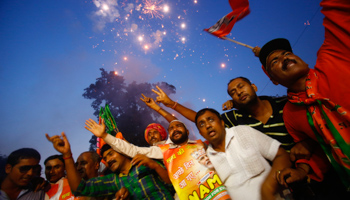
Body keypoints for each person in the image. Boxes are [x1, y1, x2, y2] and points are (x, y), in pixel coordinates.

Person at [258, 0, 350, 192]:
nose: (285, 57)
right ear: (273, 79)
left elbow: (339, 10)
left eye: (286, 53)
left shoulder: (332, 57)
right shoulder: (290, 114)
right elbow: (318, 149)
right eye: (275, 61)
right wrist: (302, 170)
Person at [85, 118, 231, 200]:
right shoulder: (162, 151)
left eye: (178, 126)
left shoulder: (199, 145)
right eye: (148, 135)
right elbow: (132, 150)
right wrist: (105, 136)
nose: (151, 136)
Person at [151, 85, 295, 152]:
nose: (238, 92)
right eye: (233, 92)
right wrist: (171, 104)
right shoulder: (236, 118)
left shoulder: (285, 104)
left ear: (254, 87)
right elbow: (203, 119)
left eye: (241, 86)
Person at [195, 108, 292, 200]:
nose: (208, 126)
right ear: (201, 133)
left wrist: (268, 187)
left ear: (222, 122)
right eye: (202, 124)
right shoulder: (207, 160)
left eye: (211, 120)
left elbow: (282, 155)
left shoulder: (243, 132)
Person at [45, 132, 174, 200]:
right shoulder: (113, 180)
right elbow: (79, 189)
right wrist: (67, 154)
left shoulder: (146, 163)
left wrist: (155, 166)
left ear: (123, 153)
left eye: (111, 154)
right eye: (105, 158)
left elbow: (172, 184)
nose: (108, 160)